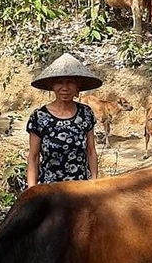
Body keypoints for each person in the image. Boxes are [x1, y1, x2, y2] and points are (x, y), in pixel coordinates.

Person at [26, 53, 100, 187]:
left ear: (77, 87)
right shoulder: (39, 117)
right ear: (52, 87)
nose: (65, 88)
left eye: (70, 82)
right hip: (49, 190)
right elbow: (33, 157)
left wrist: (94, 183)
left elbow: (91, 150)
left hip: (80, 189)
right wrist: (31, 190)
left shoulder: (85, 113)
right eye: (59, 82)